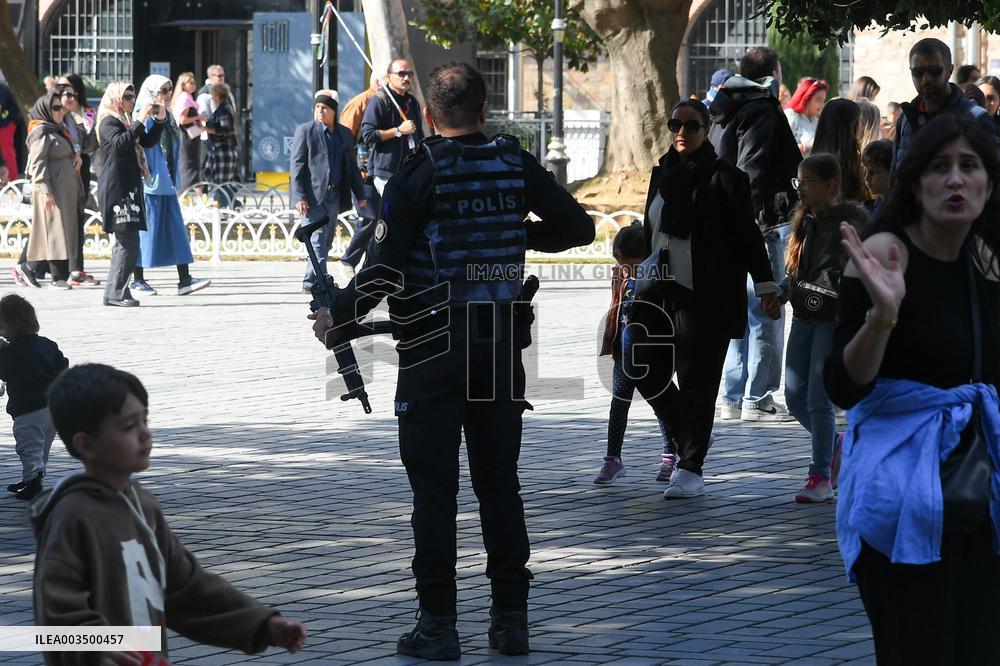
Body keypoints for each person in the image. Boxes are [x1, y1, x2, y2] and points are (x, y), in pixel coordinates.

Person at [310, 62, 595, 660]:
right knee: (499, 485)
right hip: (498, 348)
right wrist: (516, 234)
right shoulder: (514, 162)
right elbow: (579, 227)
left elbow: (382, 270)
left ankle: (438, 627)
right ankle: (511, 622)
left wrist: (337, 313)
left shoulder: (419, 172)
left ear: (430, 117)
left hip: (432, 351)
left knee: (435, 491)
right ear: (485, 110)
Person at [825, 114, 1000, 664]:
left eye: (969, 167)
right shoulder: (885, 252)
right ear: (915, 182)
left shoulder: (988, 259)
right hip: (902, 493)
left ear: (989, 183)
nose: (955, 181)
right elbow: (843, 387)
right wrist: (883, 315)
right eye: (939, 167)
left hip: (982, 491)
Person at [35, 364, 308, 664]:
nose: (145, 435)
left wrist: (262, 624)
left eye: (144, 421)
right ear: (86, 444)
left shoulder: (143, 505)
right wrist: (100, 650)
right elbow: (57, 611)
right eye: (129, 426)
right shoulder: (73, 516)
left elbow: (186, 588)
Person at [639, 100, 780, 498]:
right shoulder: (661, 174)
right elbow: (651, 229)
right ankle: (688, 433)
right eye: (675, 124)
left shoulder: (725, 178)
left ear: (706, 131)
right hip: (659, 293)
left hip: (707, 298)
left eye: (692, 126)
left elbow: (749, 239)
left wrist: (766, 287)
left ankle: (690, 466)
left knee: (698, 383)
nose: (681, 132)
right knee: (645, 370)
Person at [709, 46, 801, 422]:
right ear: (774, 72)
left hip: (729, 221)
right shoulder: (760, 107)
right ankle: (757, 396)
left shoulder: (724, 107)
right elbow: (753, 170)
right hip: (760, 222)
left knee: (740, 308)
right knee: (766, 307)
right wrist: (752, 222)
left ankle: (733, 395)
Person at [783, 154, 869, 503]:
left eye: (806, 182)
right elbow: (798, 270)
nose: (799, 189)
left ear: (830, 185)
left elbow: (857, 271)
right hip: (804, 315)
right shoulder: (805, 221)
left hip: (832, 318)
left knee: (819, 399)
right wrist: (783, 291)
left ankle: (820, 477)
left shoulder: (848, 224)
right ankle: (836, 444)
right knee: (793, 396)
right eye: (797, 182)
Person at [594, 223, 677, 485]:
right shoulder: (621, 274)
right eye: (623, 266)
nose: (628, 271)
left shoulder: (660, 276)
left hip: (654, 350)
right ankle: (612, 459)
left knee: (660, 403)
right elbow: (616, 308)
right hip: (625, 348)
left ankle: (670, 456)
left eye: (632, 266)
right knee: (619, 401)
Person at [129, 75, 211, 298]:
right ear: (152, 92)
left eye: (169, 90)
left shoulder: (168, 114)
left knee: (176, 230)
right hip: (149, 182)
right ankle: (137, 280)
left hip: (166, 180)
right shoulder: (142, 114)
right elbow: (145, 142)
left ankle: (184, 279)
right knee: (145, 232)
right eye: (162, 91)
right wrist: (156, 118)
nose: (166, 94)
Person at [291, 89, 367, 292]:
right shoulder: (305, 131)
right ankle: (319, 281)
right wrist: (299, 196)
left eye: (324, 108)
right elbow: (297, 166)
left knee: (326, 241)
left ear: (333, 110)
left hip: (334, 196)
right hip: (312, 197)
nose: (320, 111)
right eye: (317, 107)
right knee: (316, 240)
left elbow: (351, 168)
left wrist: (360, 195)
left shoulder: (343, 134)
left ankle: (309, 280)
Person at [96, 81, 164, 308]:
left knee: (126, 242)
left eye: (133, 96)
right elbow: (120, 144)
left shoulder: (124, 121)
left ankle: (114, 291)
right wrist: (140, 119)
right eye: (127, 96)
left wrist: (160, 120)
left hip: (128, 186)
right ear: (116, 97)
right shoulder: (108, 121)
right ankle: (117, 292)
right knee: (128, 242)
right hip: (116, 188)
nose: (131, 100)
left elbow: (146, 141)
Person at [892, 38, 998, 176]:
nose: (926, 79)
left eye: (934, 71)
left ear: (949, 70)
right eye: (917, 72)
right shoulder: (906, 118)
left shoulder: (976, 118)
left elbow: (993, 179)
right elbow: (895, 178)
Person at [0, 294, 67, 501]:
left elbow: (5, 372)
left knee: (28, 446)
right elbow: (62, 365)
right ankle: (33, 476)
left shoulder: (12, 351)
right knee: (42, 446)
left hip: (27, 409)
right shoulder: (47, 343)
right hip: (52, 405)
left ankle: (33, 481)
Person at [22, 91, 83, 290]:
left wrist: (77, 158)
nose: (60, 111)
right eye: (55, 108)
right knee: (55, 231)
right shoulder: (41, 131)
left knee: (62, 230)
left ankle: (31, 268)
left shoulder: (58, 129)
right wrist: (46, 191)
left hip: (64, 190)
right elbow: (38, 164)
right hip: (51, 190)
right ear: (45, 110)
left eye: (61, 108)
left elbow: (69, 151)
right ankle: (57, 277)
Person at [339, 74, 386, 279]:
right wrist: (355, 166)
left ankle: (371, 265)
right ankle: (349, 259)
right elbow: (346, 138)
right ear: (376, 82)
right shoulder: (361, 103)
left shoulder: (392, 102)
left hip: (384, 168)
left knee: (382, 219)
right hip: (363, 170)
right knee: (370, 216)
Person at [57, 77, 100, 287]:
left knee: (77, 219)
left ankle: (76, 268)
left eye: (71, 91)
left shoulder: (87, 112)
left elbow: (91, 144)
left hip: (81, 167)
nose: (67, 96)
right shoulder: (58, 113)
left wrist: (83, 128)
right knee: (59, 218)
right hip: (63, 168)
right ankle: (31, 264)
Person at [360, 58, 424, 195]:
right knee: (393, 213)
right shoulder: (379, 100)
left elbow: (420, 135)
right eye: (401, 74)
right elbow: (368, 135)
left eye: (409, 74)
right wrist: (398, 131)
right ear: (390, 76)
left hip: (410, 171)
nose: (406, 78)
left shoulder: (413, 102)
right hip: (386, 172)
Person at [813, 98, 867, 202]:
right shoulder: (840, 166)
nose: (861, 125)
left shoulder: (813, 163)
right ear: (851, 127)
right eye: (859, 121)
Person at [203, 82, 240, 208]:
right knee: (219, 181)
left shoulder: (224, 110)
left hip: (224, 150)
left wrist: (207, 129)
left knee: (222, 183)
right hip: (221, 150)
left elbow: (225, 130)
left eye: (213, 96)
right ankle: (221, 205)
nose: (212, 99)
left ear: (218, 96)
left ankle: (229, 206)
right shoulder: (222, 109)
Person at [171, 71, 208, 194]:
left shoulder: (188, 97)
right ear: (183, 84)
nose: (194, 85)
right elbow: (182, 120)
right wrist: (198, 118)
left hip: (191, 136)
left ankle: (194, 192)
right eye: (190, 83)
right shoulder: (185, 98)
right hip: (187, 136)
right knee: (189, 164)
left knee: (192, 163)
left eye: (194, 82)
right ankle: (186, 192)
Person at [784, 77, 828, 155]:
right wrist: (806, 147)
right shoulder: (791, 116)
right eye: (819, 100)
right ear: (807, 98)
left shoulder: (816, 121)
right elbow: (778, 146)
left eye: (823, 100)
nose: (822, 105)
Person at [0, 82, 27, 186]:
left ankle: (11, 181)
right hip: (4, 120)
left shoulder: (1, 88)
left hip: (7, 122)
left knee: (5, 149)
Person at [861, 139, 892, 217]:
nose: (867, 178)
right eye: (865, 172)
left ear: (890, 171)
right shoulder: (873, 207)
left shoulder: (896, 211)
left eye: (872, 172)